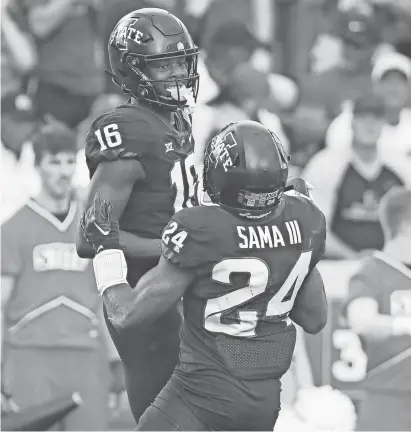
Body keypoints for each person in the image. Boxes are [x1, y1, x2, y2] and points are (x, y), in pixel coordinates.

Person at [81, 120, 328, 431]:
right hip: (264, 401)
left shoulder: (201, 228)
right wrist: (296, 246)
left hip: (202, 395)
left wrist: (106, 247)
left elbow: (124, 314)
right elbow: (316, 319)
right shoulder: (306, 218)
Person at [76, 7, 200, 423]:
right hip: (143, 290)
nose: (179, 74)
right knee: (164, 418)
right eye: (164, 65)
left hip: (176, 283)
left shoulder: (174, 119)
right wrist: (178, 248)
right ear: (132, 71)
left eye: (181, 62)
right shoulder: (128, 130)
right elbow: (91, 233)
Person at [1, 123, 110, 430]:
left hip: (86, 357)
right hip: (30, 357)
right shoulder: (12, 229)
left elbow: (105, 299)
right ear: (37, 167)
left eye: (68, 162)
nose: (63, 171)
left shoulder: (93, 228)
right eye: (54, 162)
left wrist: (116, 362)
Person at [345, 187, 411, 431]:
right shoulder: (373, 271)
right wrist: (404, 324)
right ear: (406, 227)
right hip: (389, 400)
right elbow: (361, 320)